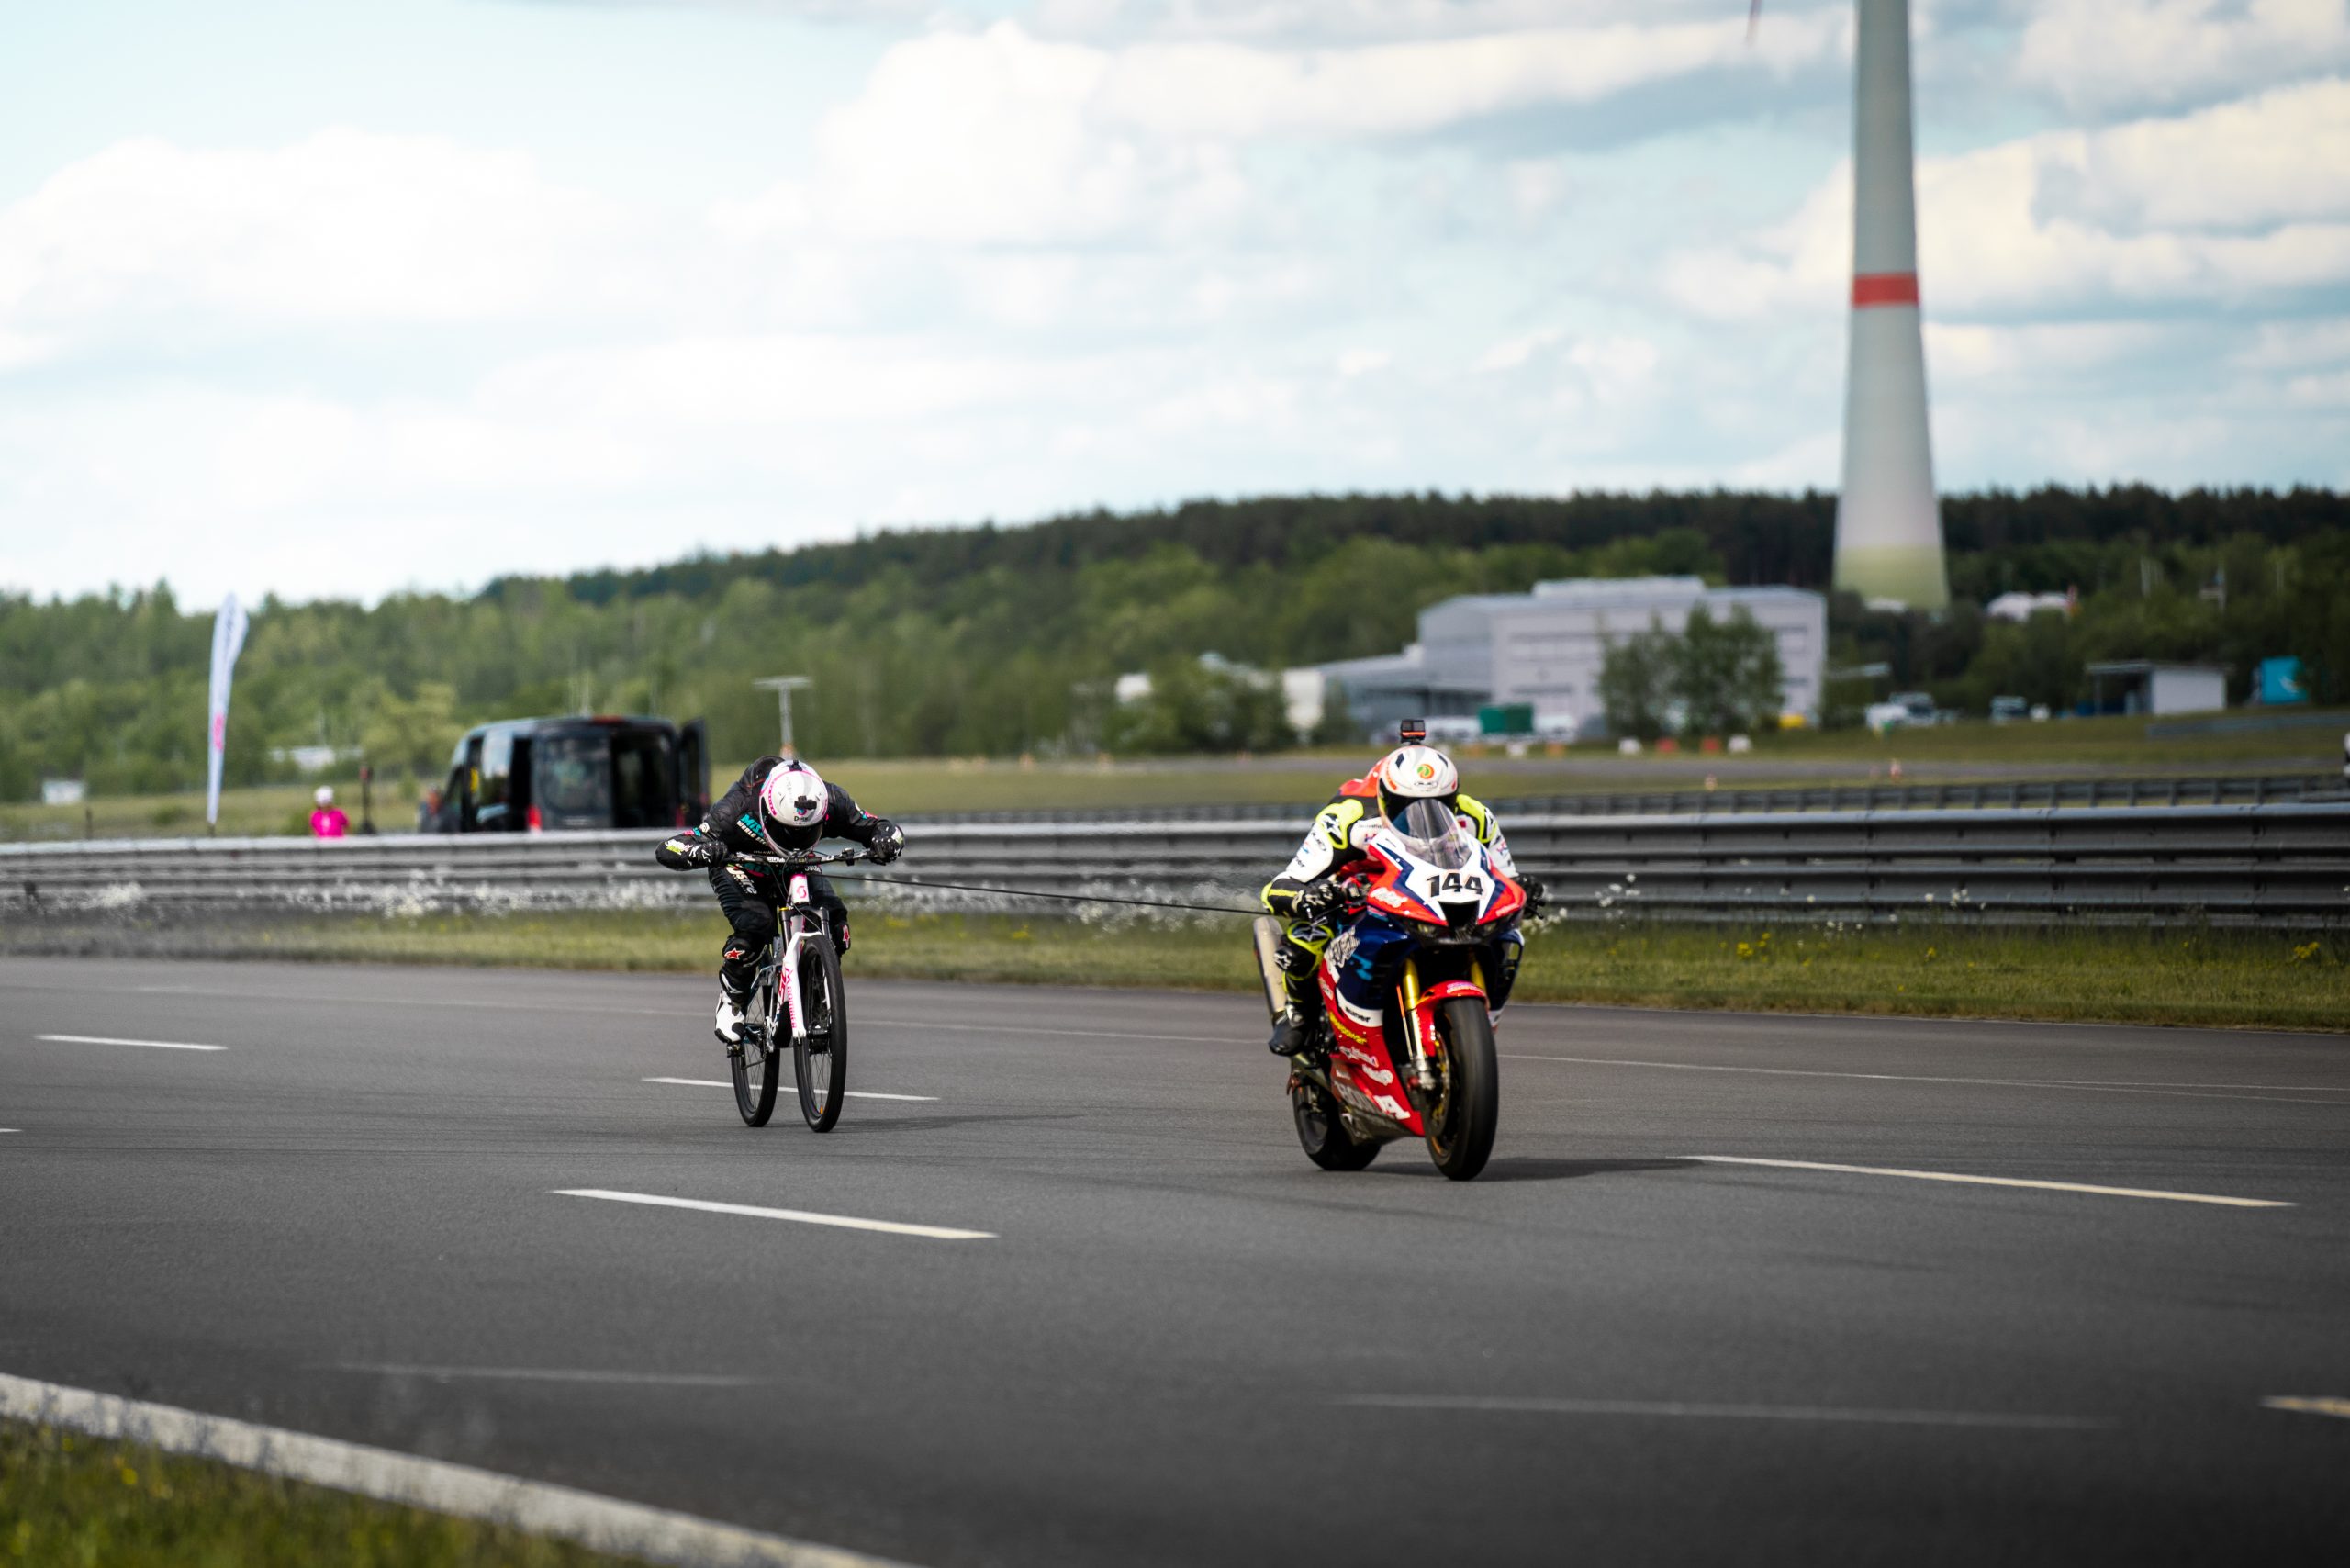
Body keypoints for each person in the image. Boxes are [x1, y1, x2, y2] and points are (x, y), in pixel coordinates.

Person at [1259, 724, 1543, 1057]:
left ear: (1453, 797)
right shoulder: (1348, 817)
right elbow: (1281, 885)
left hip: (1433, 901)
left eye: (1440, 804)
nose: (1422, 815)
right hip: (1359, 900)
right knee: (1304, 943)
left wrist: (1522, 886)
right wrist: (1310, 896)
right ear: (1384, 797)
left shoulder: (1475, 816)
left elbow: (1504, 876)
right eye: (1406, 805)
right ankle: (1300, 1015)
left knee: (1505, 938)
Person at [655, 756, 906, 1046]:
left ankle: (816, 997)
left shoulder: (831, 800)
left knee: (837, 925)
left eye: (806, 830)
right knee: (756, 926)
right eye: (788, 830)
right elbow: (670, 846)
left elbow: (880, 827)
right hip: (742, 867)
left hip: (797, 867)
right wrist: (702, 851)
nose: (797, 837)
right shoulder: (735, 809)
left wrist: (886, 841)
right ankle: (732, 997)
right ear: (767, 812)